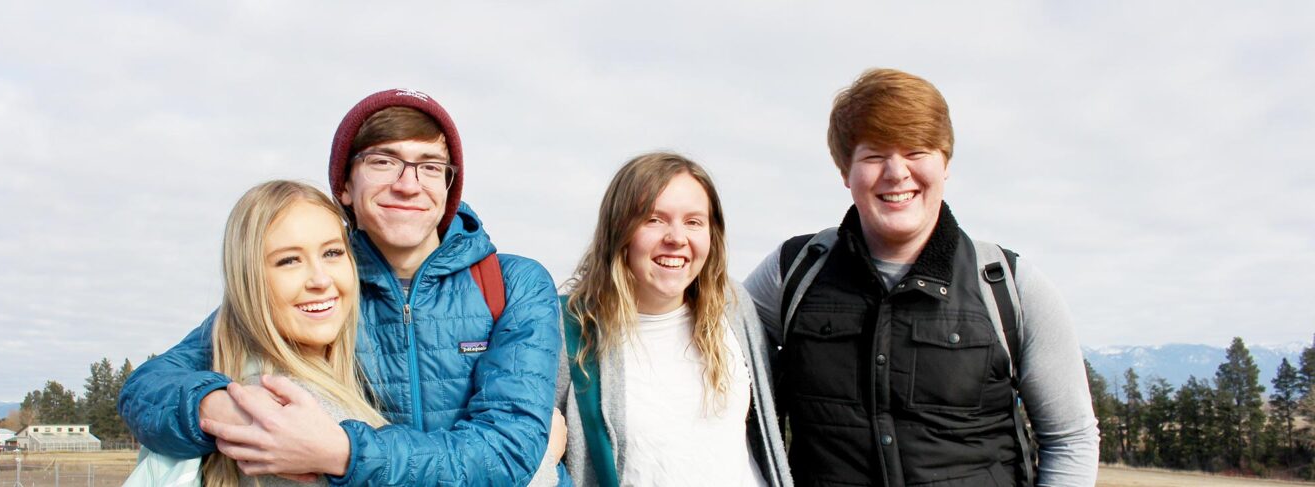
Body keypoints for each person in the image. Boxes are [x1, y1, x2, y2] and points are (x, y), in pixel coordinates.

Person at [118, 89, 564, 486]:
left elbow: (506, 452)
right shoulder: (320, 292)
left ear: (449, 186)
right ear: (345, 186)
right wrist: (222, 410)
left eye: (430, 166)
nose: (408, 184)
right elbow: (147, 388)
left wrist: (339, 452)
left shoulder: (514, 283)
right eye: (383, 161)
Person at [742, 69, 1099, 486]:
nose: (896, 173)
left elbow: (1070, 437)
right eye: (874, 155)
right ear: (845, 172)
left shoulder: (1008, 286)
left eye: (916, 151)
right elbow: (706, 365)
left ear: (945, 162)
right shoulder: (793, 271)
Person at [121, 180, 387, 486]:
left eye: (332, 253)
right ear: (249, 282)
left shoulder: (307, 379)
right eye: (289, 260)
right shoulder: (289, 406)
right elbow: (145, 385)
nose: (320, 279)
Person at [557, 152, 792, 486]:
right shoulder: (569, 330)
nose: (677, 238)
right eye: (654, 219)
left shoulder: (733, 307)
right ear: (618, 229)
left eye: (694, 222)